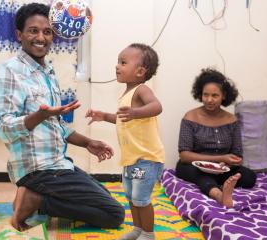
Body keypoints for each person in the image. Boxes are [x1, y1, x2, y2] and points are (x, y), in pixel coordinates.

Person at [0, 3, 124, 232]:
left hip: (58, 164)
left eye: (47, 31)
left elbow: (57, 125)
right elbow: (3, 127)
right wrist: (38, 116)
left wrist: (88, 142)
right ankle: (36, 199)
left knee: (105, 197)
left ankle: (36, 198)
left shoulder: (48, 72)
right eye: (33, 30)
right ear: (19, 34)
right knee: (114, 214)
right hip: (37, 169)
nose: (41, 37)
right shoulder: (9, 71)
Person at [86, 43, 165, 240]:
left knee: (141, 199)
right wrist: (104, 116)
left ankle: (148, 233)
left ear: (140, 71)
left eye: (123, 62)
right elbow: (123, 119)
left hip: (147, 158)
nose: (117, 66)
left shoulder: (141, 90)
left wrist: (136, 112)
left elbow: (157, 107)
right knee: (131, 197)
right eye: (117, 62)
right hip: (131, 159)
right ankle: (138, 229)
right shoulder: (126, 95)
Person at [176, 68, 257, 208]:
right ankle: (219, 195)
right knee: (192, 172)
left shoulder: (231, 120)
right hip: (196, 167)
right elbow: (184, 156)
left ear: (224, 95)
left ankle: (222, 183)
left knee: (249, 177)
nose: (209, 100)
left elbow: (237, 154)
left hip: (223, 169)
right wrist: (220, 158)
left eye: (214, 95)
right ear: (200, 94)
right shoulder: (190, 117)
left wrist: (227, 163)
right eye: (205, 95)